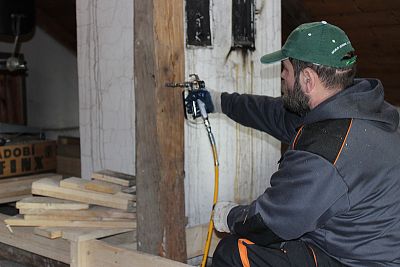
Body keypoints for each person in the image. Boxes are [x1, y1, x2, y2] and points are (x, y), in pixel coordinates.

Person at [186, 21, 400, 266]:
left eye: (285, 69)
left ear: (307, 79)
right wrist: (217, 101)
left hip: (357, 261)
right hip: (358, 243)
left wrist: (229, 216)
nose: (281, 76)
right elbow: (272, 113)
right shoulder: (358, 109)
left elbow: (270, 222)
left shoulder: (326, 150)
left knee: (233, 253)